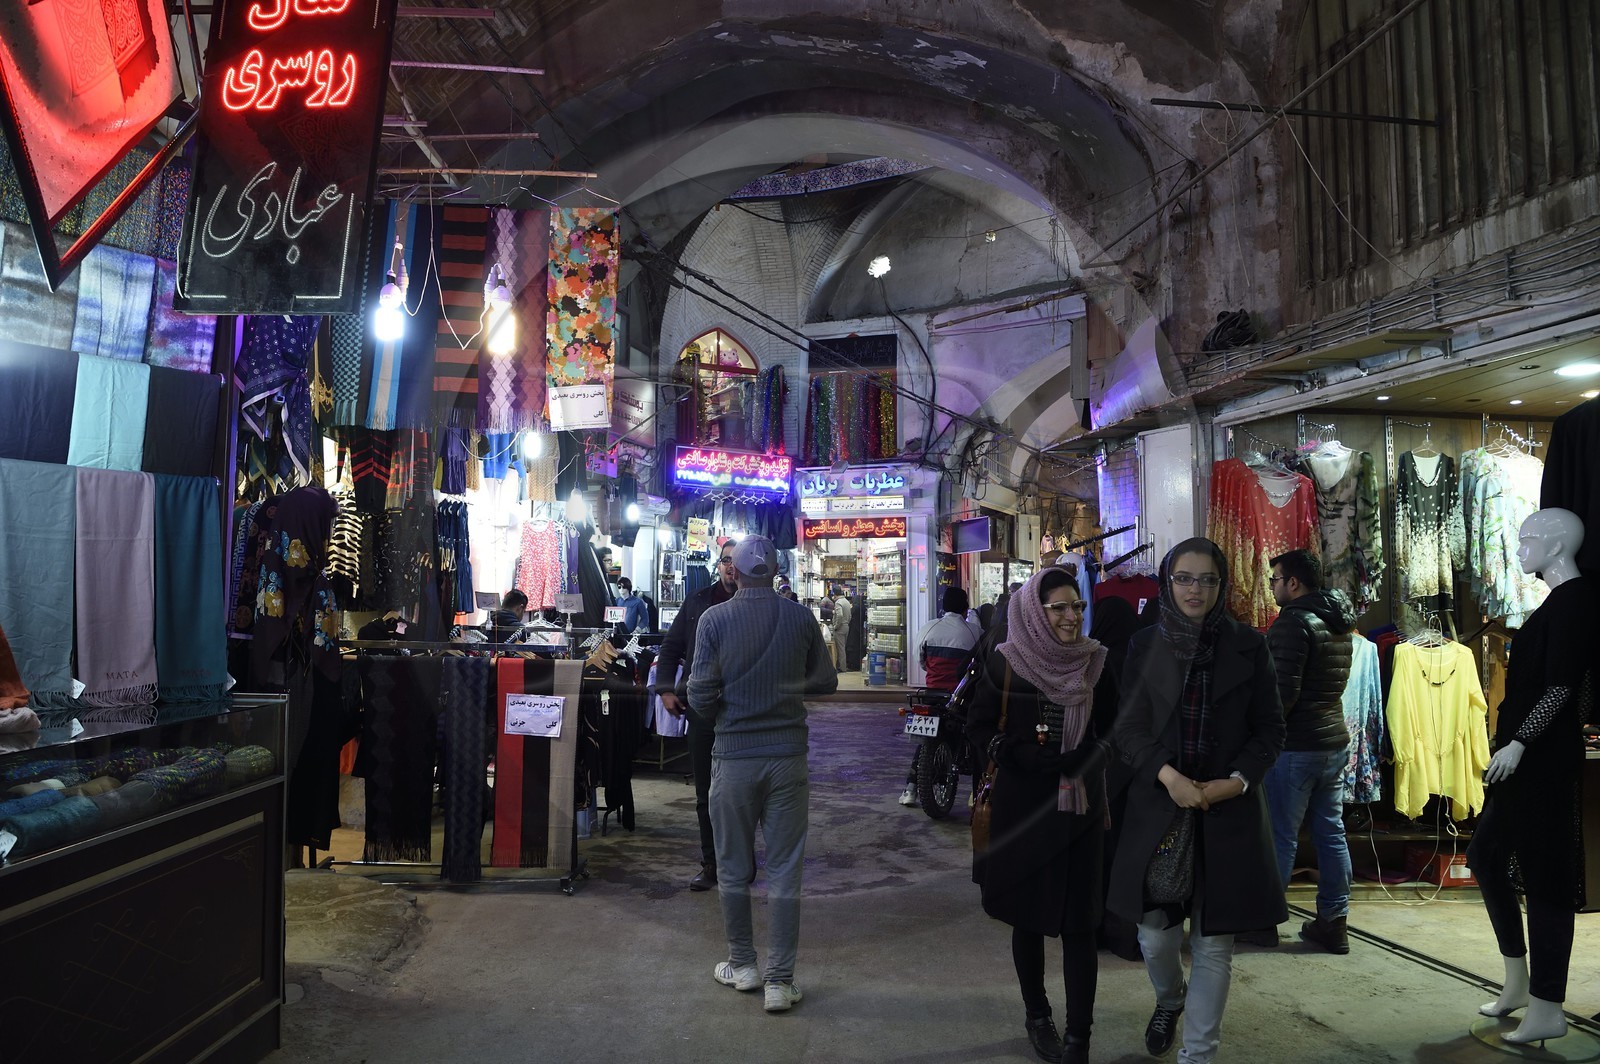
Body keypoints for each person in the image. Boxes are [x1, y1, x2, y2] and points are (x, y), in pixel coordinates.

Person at [1108, 537, 1286, 1064]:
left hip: (1227, 810)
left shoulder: (1249, 645)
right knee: (1155, 936)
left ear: (1221, 584)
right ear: (1168, 582)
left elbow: (1270, 730)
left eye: (1207, 579)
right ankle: (1170, 998)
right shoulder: (1145, 645)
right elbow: (1129, 729)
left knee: (1214, 944)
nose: (1196, 589)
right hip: (1163, 807)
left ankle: (1198, 1054)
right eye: (1184, 578)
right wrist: (1169, 777)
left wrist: (1236, 781)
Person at [967, 566, 1118, 1064]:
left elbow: (1115, 728)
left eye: (1076, 607)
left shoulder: (1095, 663)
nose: (1071, 616)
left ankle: (1079, 1039)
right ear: (1036, 612)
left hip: (1079, 811)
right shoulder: (1006, 661)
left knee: (1081, 924)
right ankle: (1038, 1016)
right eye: (1059, 608)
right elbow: (978, 725)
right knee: (1027, 921)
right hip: (1023, 810)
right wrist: (1018, 756)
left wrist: (1091, 755)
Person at [688, 535, 837, 1013]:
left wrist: (727, 709)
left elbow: (700, 695)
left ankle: (743, 965)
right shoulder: (800, 617)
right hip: (788, 757)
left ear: (736, 570)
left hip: (732, 759)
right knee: (786, 870)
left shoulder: (714, 619)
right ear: (774, 570)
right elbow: (826, 682)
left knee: (732, 866)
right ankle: (780, 980)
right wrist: (785, 687)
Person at [1470, 509, 1595, 1045]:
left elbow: (1564, 686)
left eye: (1527, 541)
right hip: (1523, 758)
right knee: (1485, 858)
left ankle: (1548, 1003)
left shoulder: (1575, 603)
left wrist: (1520, 741)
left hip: (1541, 759)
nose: (1519, 550)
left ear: (1556, 543)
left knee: (1545, 876)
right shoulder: (1557, 602)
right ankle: (1519, 980)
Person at [1255, 548, 1356, 952]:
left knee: (1280, 836)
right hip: (1332, 742)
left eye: (1275, 579)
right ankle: (1334, 922)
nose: (1273, 586)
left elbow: (1282, 695)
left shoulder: (1292, 622)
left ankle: (1263, 923)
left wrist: (1261, 737)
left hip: (1296, 747)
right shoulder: (1340, 621)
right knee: (1331, 833)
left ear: (1293, 582)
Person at [654, 541, 739, 891]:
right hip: (701, 709)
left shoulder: (757, 606)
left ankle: (739, 856)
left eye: (737, 561)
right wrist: (665, 688)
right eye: (726, 561)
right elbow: (672, 647)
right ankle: (711, 863)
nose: (731, 568)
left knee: (740, 790)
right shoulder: (698, 601)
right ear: (718, 566)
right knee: (705, 790)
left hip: (742, 710)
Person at [900, 586, 981, 806]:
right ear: (965, 607)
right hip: (961, 696)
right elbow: (980, 665)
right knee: (977, 735)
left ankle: (910, 788)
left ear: (943, 606)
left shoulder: (928, 628)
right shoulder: (974, 631)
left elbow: (921, 660)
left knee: (927, 738)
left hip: (931, 695)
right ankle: (978, 792)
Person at [830, 585, 853, 672]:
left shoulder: (838, 602)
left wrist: (836, 626)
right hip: (846, 626)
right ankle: (842, 666)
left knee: (840, 649)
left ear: (834, 593)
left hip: (840, 627)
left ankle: (842, 668)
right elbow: (850, 615)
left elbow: (839, 615)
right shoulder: (846, 601)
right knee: (843, 648)